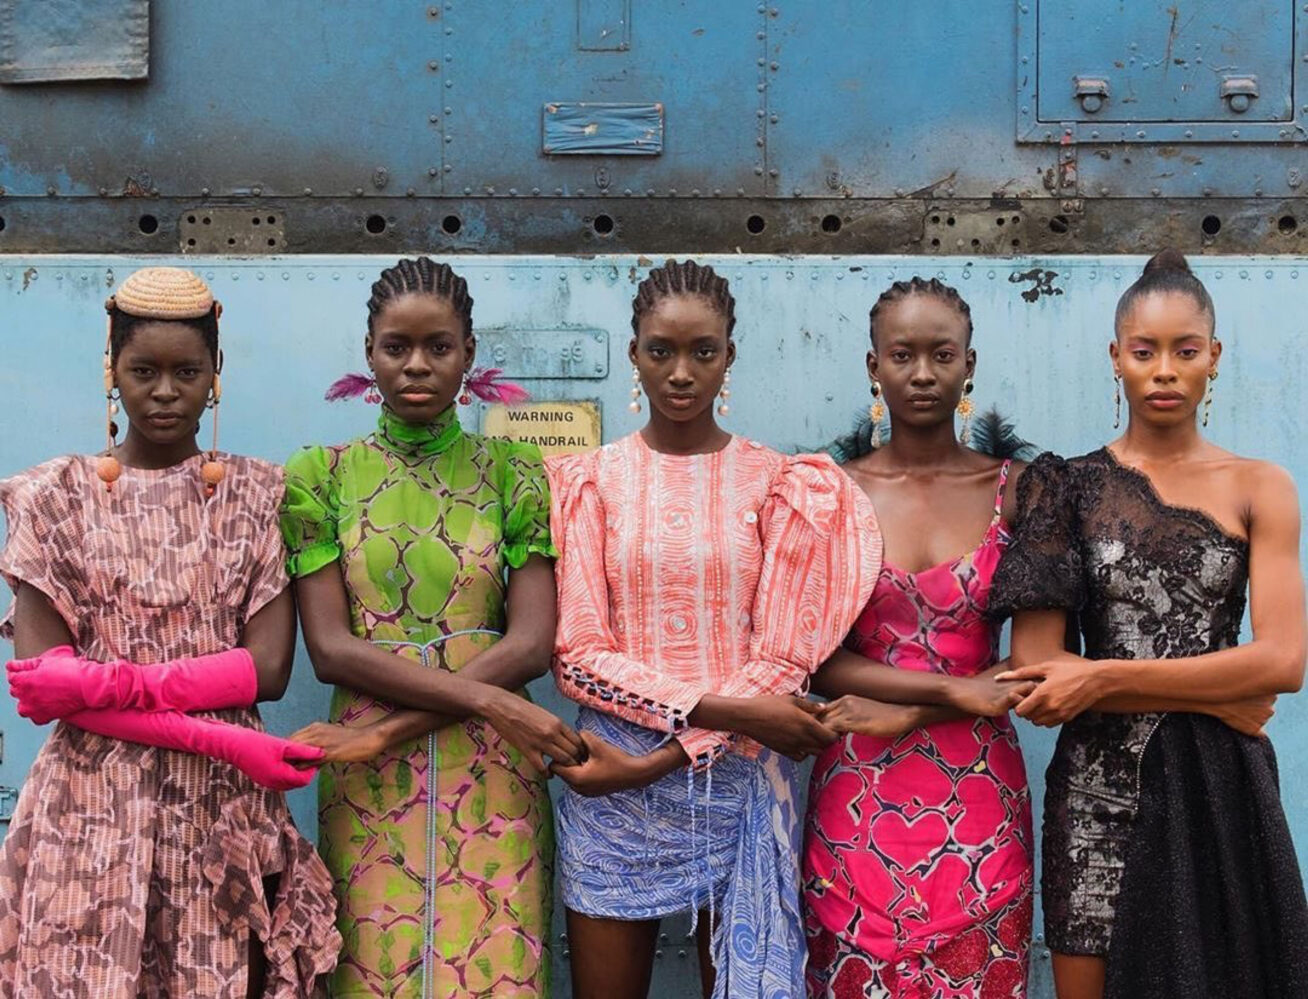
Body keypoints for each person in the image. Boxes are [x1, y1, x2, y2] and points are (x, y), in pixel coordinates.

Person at [545, 259, 882, 999]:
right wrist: (716, 715)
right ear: (633, 352)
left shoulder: (781, 483)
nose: (681, 371)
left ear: (730, 354)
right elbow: (578, 654)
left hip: (740, 777)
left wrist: (669, 754)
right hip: (611, 779)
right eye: (661, 350)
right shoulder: (588, 481)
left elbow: (784, 655)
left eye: (703, 350)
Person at [0, 266, 339, 998]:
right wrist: (220, 729)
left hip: (218, 810)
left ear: (216, 372)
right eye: (142, 370)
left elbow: (269, 669)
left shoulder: (259, 494)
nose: (163, 391)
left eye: (186, 371)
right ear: (110, 369)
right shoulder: (51, 497)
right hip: (89, 808)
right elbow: (41, 685)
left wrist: (108, 681)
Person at [990, 249, 1308, 999]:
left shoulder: (1263, 485)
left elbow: (1286, 662)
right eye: (1145, 351)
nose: (1164, 369)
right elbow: (1037, 675)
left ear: (1214, 358)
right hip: (1098, 799)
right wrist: (1215, 689)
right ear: (1117, 359)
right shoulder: (1061, 486)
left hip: (1221, 788)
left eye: (1184, 350)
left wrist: (1099, 673)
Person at [281, 256, 578, 999]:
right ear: (369, 353)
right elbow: (330, 650)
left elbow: (531, 643)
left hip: (490, 774)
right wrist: (490, 698)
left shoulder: (513, 470)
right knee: (373, 963)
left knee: (495, 967)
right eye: (396, 347)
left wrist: (391, 729)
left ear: (468, 355)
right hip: (370, 776)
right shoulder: (320, 475)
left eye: (438, 347)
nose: (417, 365)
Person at [803, 277, 1036, 999]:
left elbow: (1035, 667)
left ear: (971, 364)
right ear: (873, 366)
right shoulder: (830, 492)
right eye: (902, 355)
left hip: (982, 804)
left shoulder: (1021, 490)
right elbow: (816, 658)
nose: (924, 373)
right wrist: (948, 687)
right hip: (855, 798)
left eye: (942, 354)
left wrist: (913, 709)